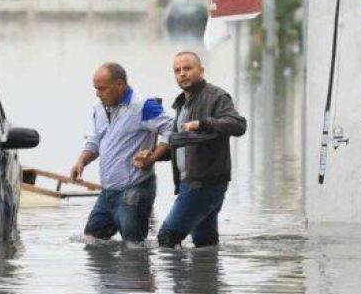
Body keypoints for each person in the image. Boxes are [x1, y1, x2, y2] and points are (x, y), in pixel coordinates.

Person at [136, 51, 246, 248]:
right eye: (177, 70)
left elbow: (238, 125)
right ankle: (204, 278)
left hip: (204, 183)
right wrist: (153, 156)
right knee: (205, 243)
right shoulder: (182, 104)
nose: (182, 74)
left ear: (201, 71)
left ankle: (178, 279)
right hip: (192, 181)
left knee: (167, 237)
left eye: (187, 68)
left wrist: (202, 123)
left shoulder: (216, 96)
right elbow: (184, 144)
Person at [71, 62, 172, 244]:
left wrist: (153, 157)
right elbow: (96, 139)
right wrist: (81, 162)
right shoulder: (99, 108)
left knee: (134, 247)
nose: (97, 94)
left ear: (119, 85)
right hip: (108, 191)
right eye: (96, 89)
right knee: (91, 240)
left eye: (102, 89)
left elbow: (170, 130)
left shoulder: (143, 105)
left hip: (135, 188)